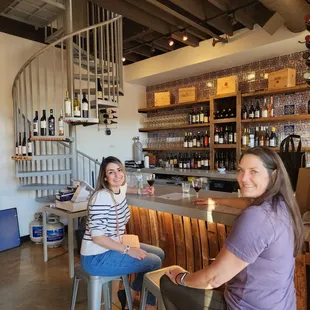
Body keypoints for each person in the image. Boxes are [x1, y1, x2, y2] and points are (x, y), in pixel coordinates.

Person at [160, 146, 304, 310]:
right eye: (241, 170)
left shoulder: (256, 217)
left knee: (167, 282)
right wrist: (216, 200)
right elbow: (248, 201)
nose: (243, 178)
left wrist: (181, 277)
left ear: (274, 174)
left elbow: (213, 279)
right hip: (282, 305)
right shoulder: (282, 205)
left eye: (253, 171)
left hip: (244, 307)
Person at [81, 156, 164, 310]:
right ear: (105, 177)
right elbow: (97, 237)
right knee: (154, 261)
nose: (117, 175)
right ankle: (147, 306)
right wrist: (128, 250)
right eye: (111, 172)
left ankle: (128, 296)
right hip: (96, 257)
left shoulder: (118, 189)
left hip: (111, 248)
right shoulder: (101, 197)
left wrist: (141, 191)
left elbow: (125, 188)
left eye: (119, 170)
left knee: (159, 253)